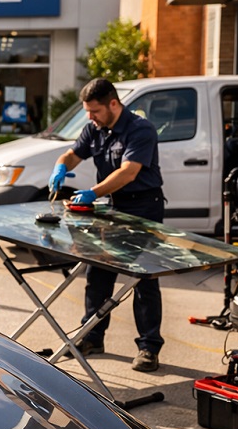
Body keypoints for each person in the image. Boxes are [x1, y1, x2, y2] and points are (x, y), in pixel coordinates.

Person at [49, 77, 165, 373]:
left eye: (95, 111)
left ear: (113, 104)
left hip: (142, 206)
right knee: (98, 272)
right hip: (111, 206)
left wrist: (93, 192)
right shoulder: (95, 127)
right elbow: (74, 153)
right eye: (87, 112)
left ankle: (149, 348)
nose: (90, 117)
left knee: (143, 279)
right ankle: (92, 337)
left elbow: (128, 172)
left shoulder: (141, 130)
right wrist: (61, 165)